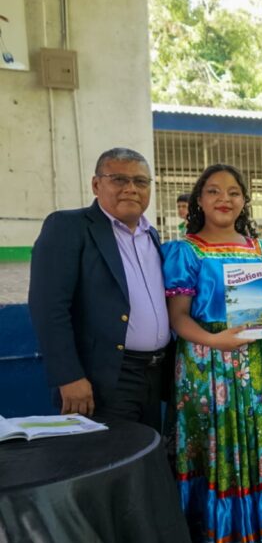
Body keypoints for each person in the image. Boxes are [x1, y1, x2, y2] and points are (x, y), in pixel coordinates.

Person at [163, 163, 262, 543]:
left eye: (233, 192)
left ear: (245, 200)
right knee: (219, 447)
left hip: (259, 368)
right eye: (213, 191)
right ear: (199, 200)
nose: (224, 199)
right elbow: (178, 318)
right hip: (208, 366)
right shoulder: (185, 252)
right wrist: (215, 341)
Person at [29, 147, 171, 432]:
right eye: (119, 179)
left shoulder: (151, 235)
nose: (131, 189)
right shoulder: (69, 227)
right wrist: (69, 376)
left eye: (140, 181)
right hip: (105, 378)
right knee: (111, 456)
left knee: (147, 453)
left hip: (154, 374)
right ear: (96, 185)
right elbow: (49, 308)